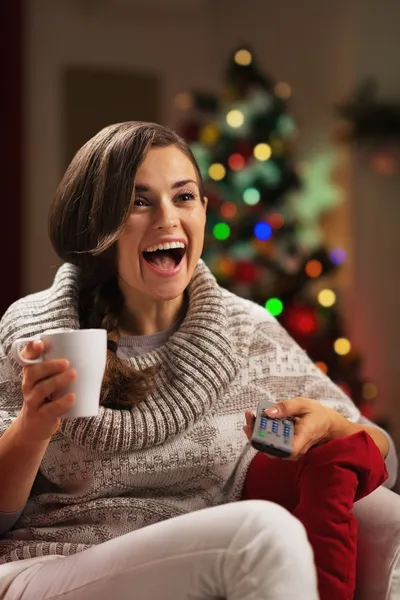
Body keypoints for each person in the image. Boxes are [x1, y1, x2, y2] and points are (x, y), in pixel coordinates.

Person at [0, 121, 396, 600]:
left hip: (204, 571)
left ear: (204, 212)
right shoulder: (33, 330)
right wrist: (33, 427)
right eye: (139, 202)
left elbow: (384, 459)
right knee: (260, 533)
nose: (167, 219)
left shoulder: (246, 331)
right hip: (49, 567)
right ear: (98, 221)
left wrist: (335, 426)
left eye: (183, 197)